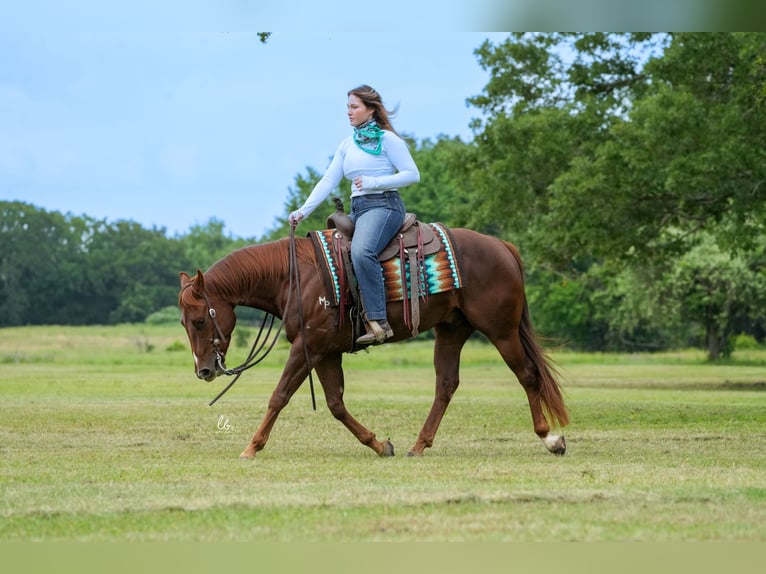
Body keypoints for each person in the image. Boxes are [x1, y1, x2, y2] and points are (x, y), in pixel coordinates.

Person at [289, 85, 420, 344]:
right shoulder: (347, 144)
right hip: (358, 209)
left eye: (354, 107)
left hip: (385, 206)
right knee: (336, 256)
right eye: (347, 107)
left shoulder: (387, 139)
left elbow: (412, 174)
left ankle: (379, 322)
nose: (348, 112)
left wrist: (374, 182)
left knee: (361, 251)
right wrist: (303, 211)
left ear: (370, 109)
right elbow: (328, 180)